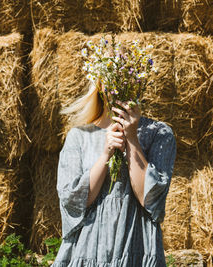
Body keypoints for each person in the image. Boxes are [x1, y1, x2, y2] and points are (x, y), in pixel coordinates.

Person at [52, 79, 176, 267]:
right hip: (88, 249)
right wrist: (105, 154)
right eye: (113, 75)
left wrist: (132, 138)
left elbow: (150, 199)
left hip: (137, 249)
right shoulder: (79, 136)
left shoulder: (159, 133)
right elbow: (74, 202)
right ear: (100, 83)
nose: (122, 82)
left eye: (130, 74)